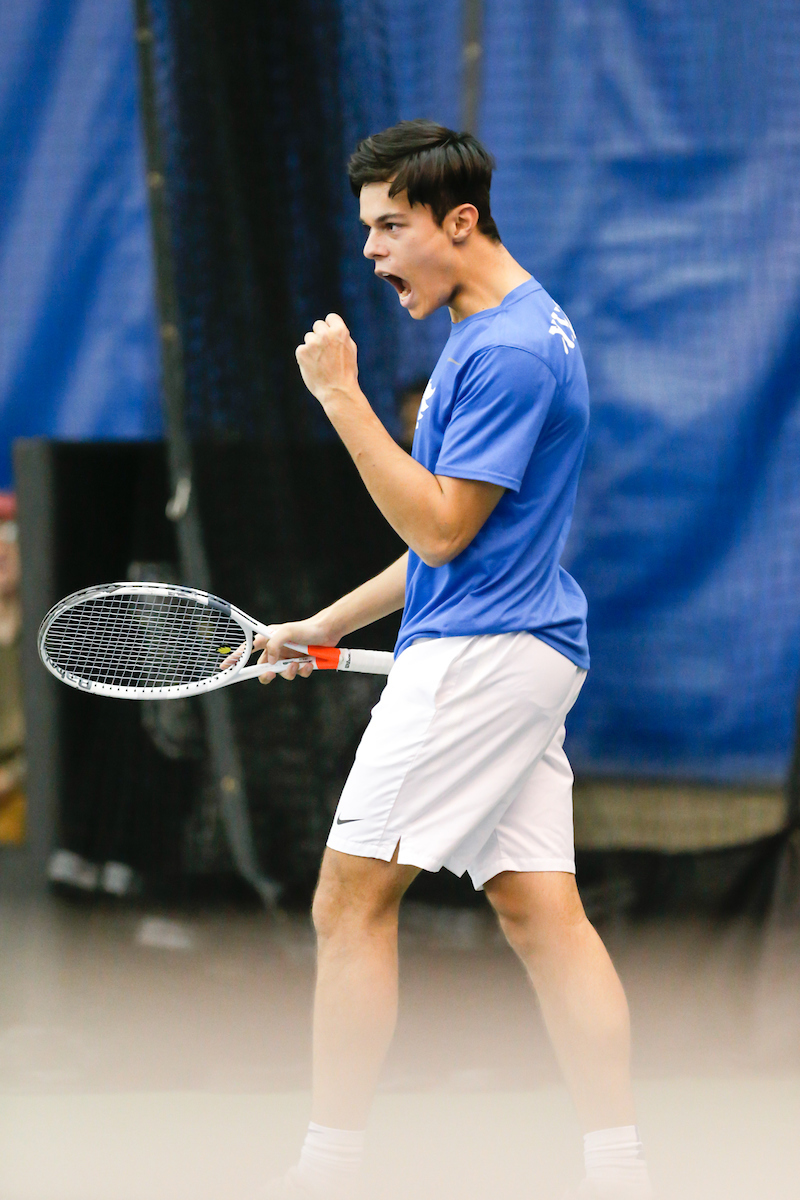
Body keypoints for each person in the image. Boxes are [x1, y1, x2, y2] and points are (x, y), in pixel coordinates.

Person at [260, 120, 653, 1200]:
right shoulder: (504, 331)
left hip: (481, 661)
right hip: (517, 646)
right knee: (541, 914)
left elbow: (437, 533)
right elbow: (442, 550)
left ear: (458, 221)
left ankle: (324, 1170)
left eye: (391, 228)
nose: (375, 254)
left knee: (346, 904)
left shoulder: (511, 352)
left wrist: (340, 397)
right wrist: (320, 623)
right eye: (369, 230)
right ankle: (619, 1169)